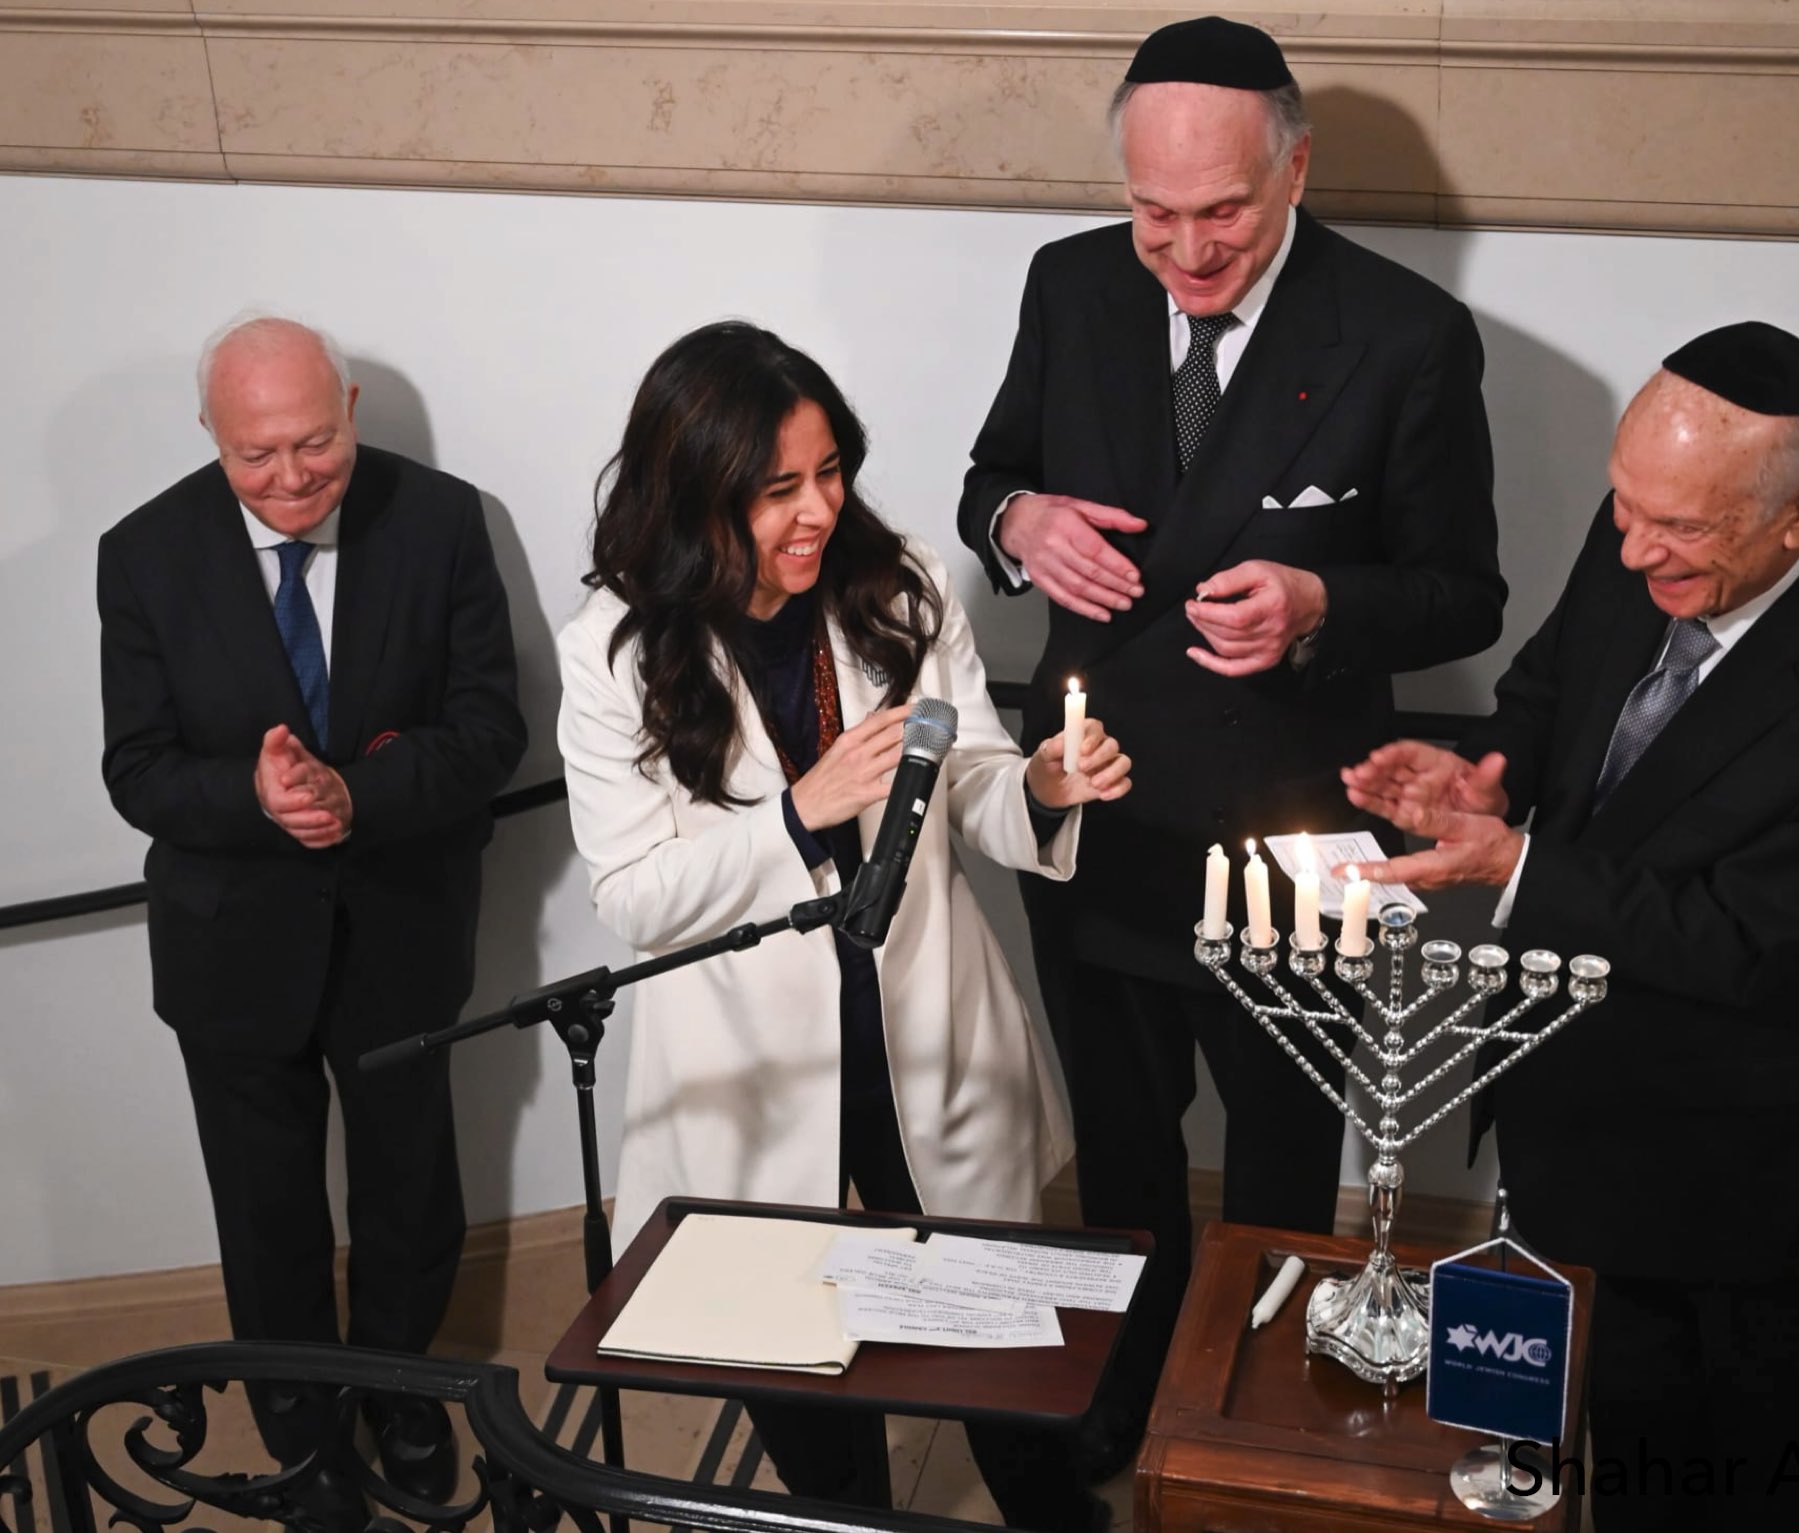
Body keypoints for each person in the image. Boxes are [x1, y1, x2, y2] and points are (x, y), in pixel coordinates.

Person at [956, 13, 1504, 1466]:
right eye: (1153, 213)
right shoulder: (1070, 286)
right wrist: (1022, 524)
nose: (1186, 251)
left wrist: (1324, 599)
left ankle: (1255, 1435)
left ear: (1295, 168)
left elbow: (1467, 592)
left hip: (1293, 827)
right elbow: (989, 476)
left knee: (1279, 1166)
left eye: (1222, 215)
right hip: (1097, 805)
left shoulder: (1405, 333)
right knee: (1123, 1163)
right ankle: (1124, 1419)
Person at [1342, 322, 1799, 1531]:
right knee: (1587, 1440)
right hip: (1580, 1116)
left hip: (1752, 1187)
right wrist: (1489, 775)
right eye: (1621, 507)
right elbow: (1549, 687)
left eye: (1676, 529)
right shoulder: (1647, 521)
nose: (1633, 548)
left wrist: (1518, 862)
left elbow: (1754, 940)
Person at [555, 321, 1131, 1530]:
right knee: (804, 1408)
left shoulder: (900, 582)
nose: (817, 510)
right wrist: (793, 817)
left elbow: (964, 775)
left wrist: (1035, 788)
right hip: (754, 1069)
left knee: (1010, 1386)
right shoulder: (613, 654)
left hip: (923, 1021)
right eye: (776, 490)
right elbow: (633, 899)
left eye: (829, 472)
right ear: (693, 493)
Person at [98, 316, 527, 1526]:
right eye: (255, 456)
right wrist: (252, 794)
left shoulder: (443, 521)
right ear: (210, 438)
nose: (289, 479)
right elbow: (135, 770)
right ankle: (301, 1440)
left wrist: (357, 795)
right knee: (265, 1212)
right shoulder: (139, 554)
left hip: (399, 928)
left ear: (348, 408)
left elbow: (491, 732)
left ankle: (399, 1399)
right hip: (228, 943)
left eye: (313, 446)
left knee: (408, 1194)